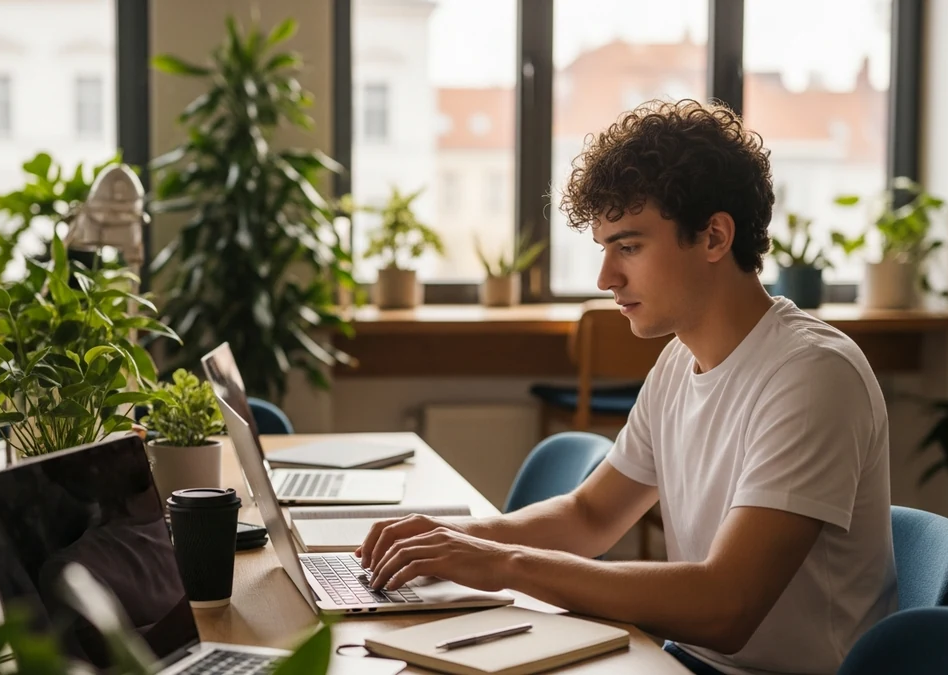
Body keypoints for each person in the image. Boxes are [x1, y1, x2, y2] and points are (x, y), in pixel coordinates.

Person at [356, 99, 897, 675]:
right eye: (604, 248)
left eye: (629, 247)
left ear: (714, 236)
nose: (605, 277)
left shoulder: (811, 375)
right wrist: (448, 541)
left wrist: (505, 563)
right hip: (681, 661)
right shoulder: (676, 362)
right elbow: (590, 516)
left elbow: (726, 607)